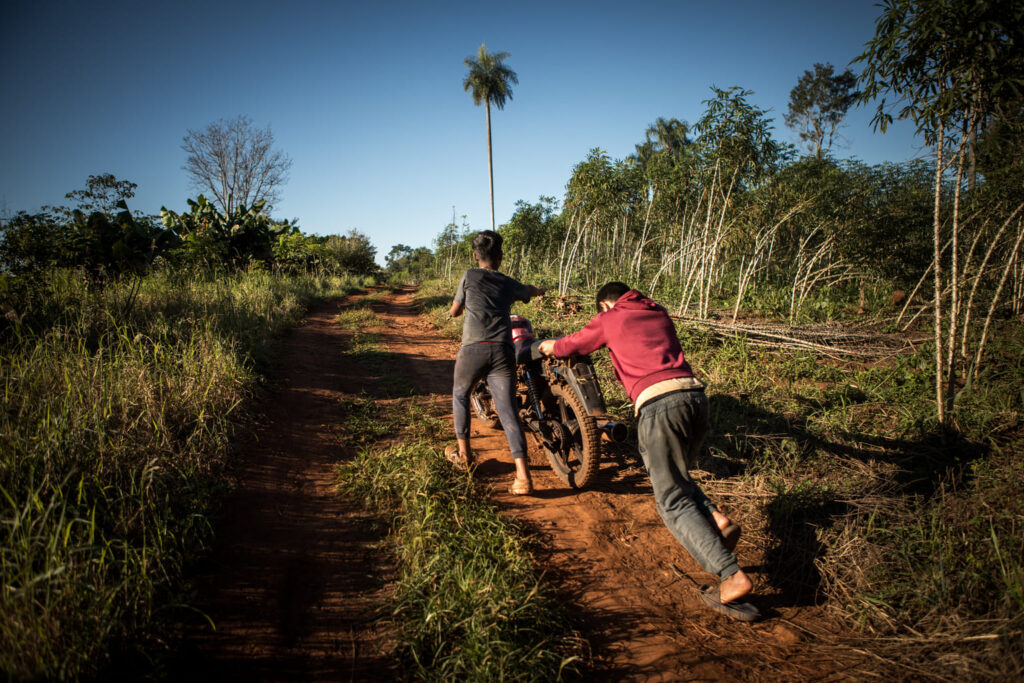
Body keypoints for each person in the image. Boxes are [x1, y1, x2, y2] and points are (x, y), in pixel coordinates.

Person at [538, 281, 759, 620]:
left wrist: (549, 345)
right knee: (677, 476)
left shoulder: (612, 317)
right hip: (696, 399)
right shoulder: (657, 311)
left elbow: (573, 345)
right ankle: (716, 518)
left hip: (660, 406)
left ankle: (731, 576)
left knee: (670, 499)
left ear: (606, 305)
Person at [447, 230, 545, 495]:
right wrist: (539, 290)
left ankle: (464, 456)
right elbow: (529, 291)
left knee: (459, 394)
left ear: (474, 256)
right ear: (500, 257)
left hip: (473, 350)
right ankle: (523, 477)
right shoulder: (507, 281)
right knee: (508, 411)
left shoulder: (469, 276)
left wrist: (455, 309)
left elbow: (455, 311)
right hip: (503, 351)